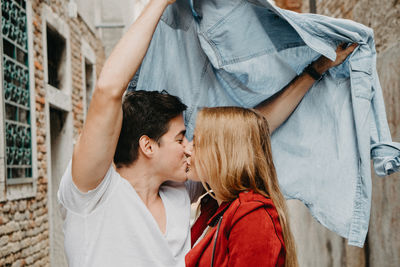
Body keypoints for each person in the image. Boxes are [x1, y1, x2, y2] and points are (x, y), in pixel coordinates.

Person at [57, 0, 356, 266]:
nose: (189, 148)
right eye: (180, 138)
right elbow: (108, 90)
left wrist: (315, 71)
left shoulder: (177, 189)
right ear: (148, 146)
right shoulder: (92, 191)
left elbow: (251, 131)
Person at [185, 107, 297, 267]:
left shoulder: (252, 214)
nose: (187, 149)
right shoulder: (215, 209)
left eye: (196, 142)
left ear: (224, 152)